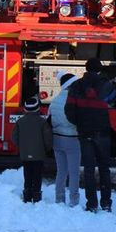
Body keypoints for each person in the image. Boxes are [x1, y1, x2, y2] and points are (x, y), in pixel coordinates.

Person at [66, 58, 115, 213]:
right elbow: (114, 105)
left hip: (85, 133)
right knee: (104, 169)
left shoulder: (76, 86)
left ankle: (91, 204)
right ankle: (106, 203)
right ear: (100, 69)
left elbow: (69, 111)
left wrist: (80, 124)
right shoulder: (107, 86)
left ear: (86, 69)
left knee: (88, 169)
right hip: (103, 132)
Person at [10, 96, 52, 203]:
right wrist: (46, 149)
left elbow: (14, 138)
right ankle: (36, 195)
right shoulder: (42, 122)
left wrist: (22, 146)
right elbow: (47, 139)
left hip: (25, 154)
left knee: (27, 174)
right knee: (37, 175)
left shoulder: (20, 122)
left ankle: (27, 194)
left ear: (25, 108)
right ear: (38, 108)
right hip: (39, 155)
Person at [50, 71, 81, 206]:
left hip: (57, 140)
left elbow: (50, 120)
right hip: (72, 140)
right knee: (74, 173)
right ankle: (74, 201)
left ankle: (59, 199)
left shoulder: (54, 101)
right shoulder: (75, 101)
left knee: (61, 171)